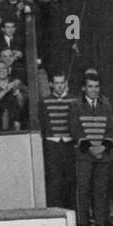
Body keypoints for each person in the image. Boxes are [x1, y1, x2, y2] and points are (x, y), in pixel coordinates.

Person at [69, 73, 113, 226]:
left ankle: (100, 223)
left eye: (97, 86)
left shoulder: (105, 105)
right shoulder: (75, 105)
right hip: (84, 155)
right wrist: (91, 148)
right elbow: (75, 129)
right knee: (83, 188)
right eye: (90, 86)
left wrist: (103, 147)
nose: (94, 90)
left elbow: (112, 129)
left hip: (103, 154)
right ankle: (83, 223)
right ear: (84, 88)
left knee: (101, 189)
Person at [39, 72, 76, 210]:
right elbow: (43, 124)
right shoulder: (44, 101)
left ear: (66, 83)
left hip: (69, 144)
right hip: (52, 145)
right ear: (51, 84)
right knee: (55, 182)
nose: (59, 86)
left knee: (70, 181)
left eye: (62, 83)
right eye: (56, 83)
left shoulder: (74, 100)